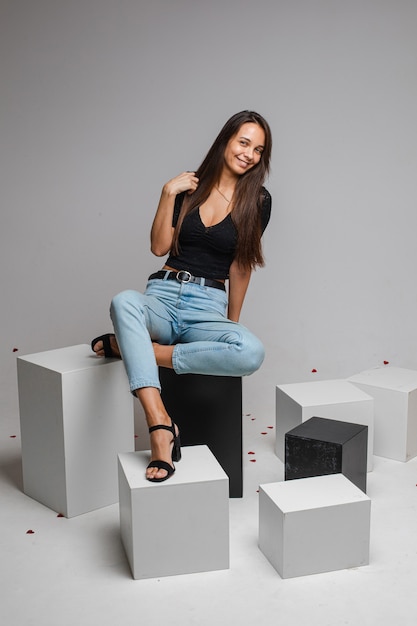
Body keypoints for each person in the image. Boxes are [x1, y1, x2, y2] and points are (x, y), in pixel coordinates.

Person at [91, 110, 272, 483]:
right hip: (163, 293)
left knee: (250, 351)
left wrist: (230, 324)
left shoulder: (259, 200)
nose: (249, 154)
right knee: (124, 300)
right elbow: (159, 247)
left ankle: (132, 346)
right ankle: (160, 424)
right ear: (226, 140)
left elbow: (241, 267)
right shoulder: (190, 185)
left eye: (258, 149)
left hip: (208, 305)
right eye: (243, 142)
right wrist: (166, 193)